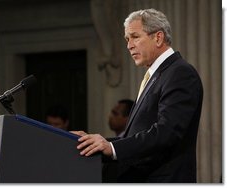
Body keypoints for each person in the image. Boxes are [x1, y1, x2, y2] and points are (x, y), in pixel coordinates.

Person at [71, 8, 203, 183]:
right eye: (127, 39)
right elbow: (138, 133)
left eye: (135, 37)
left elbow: (166, 132)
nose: (129, 45)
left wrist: (112, 147)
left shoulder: (180, 73)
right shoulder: (156, 75)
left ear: (158, 37)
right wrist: (96, 142)